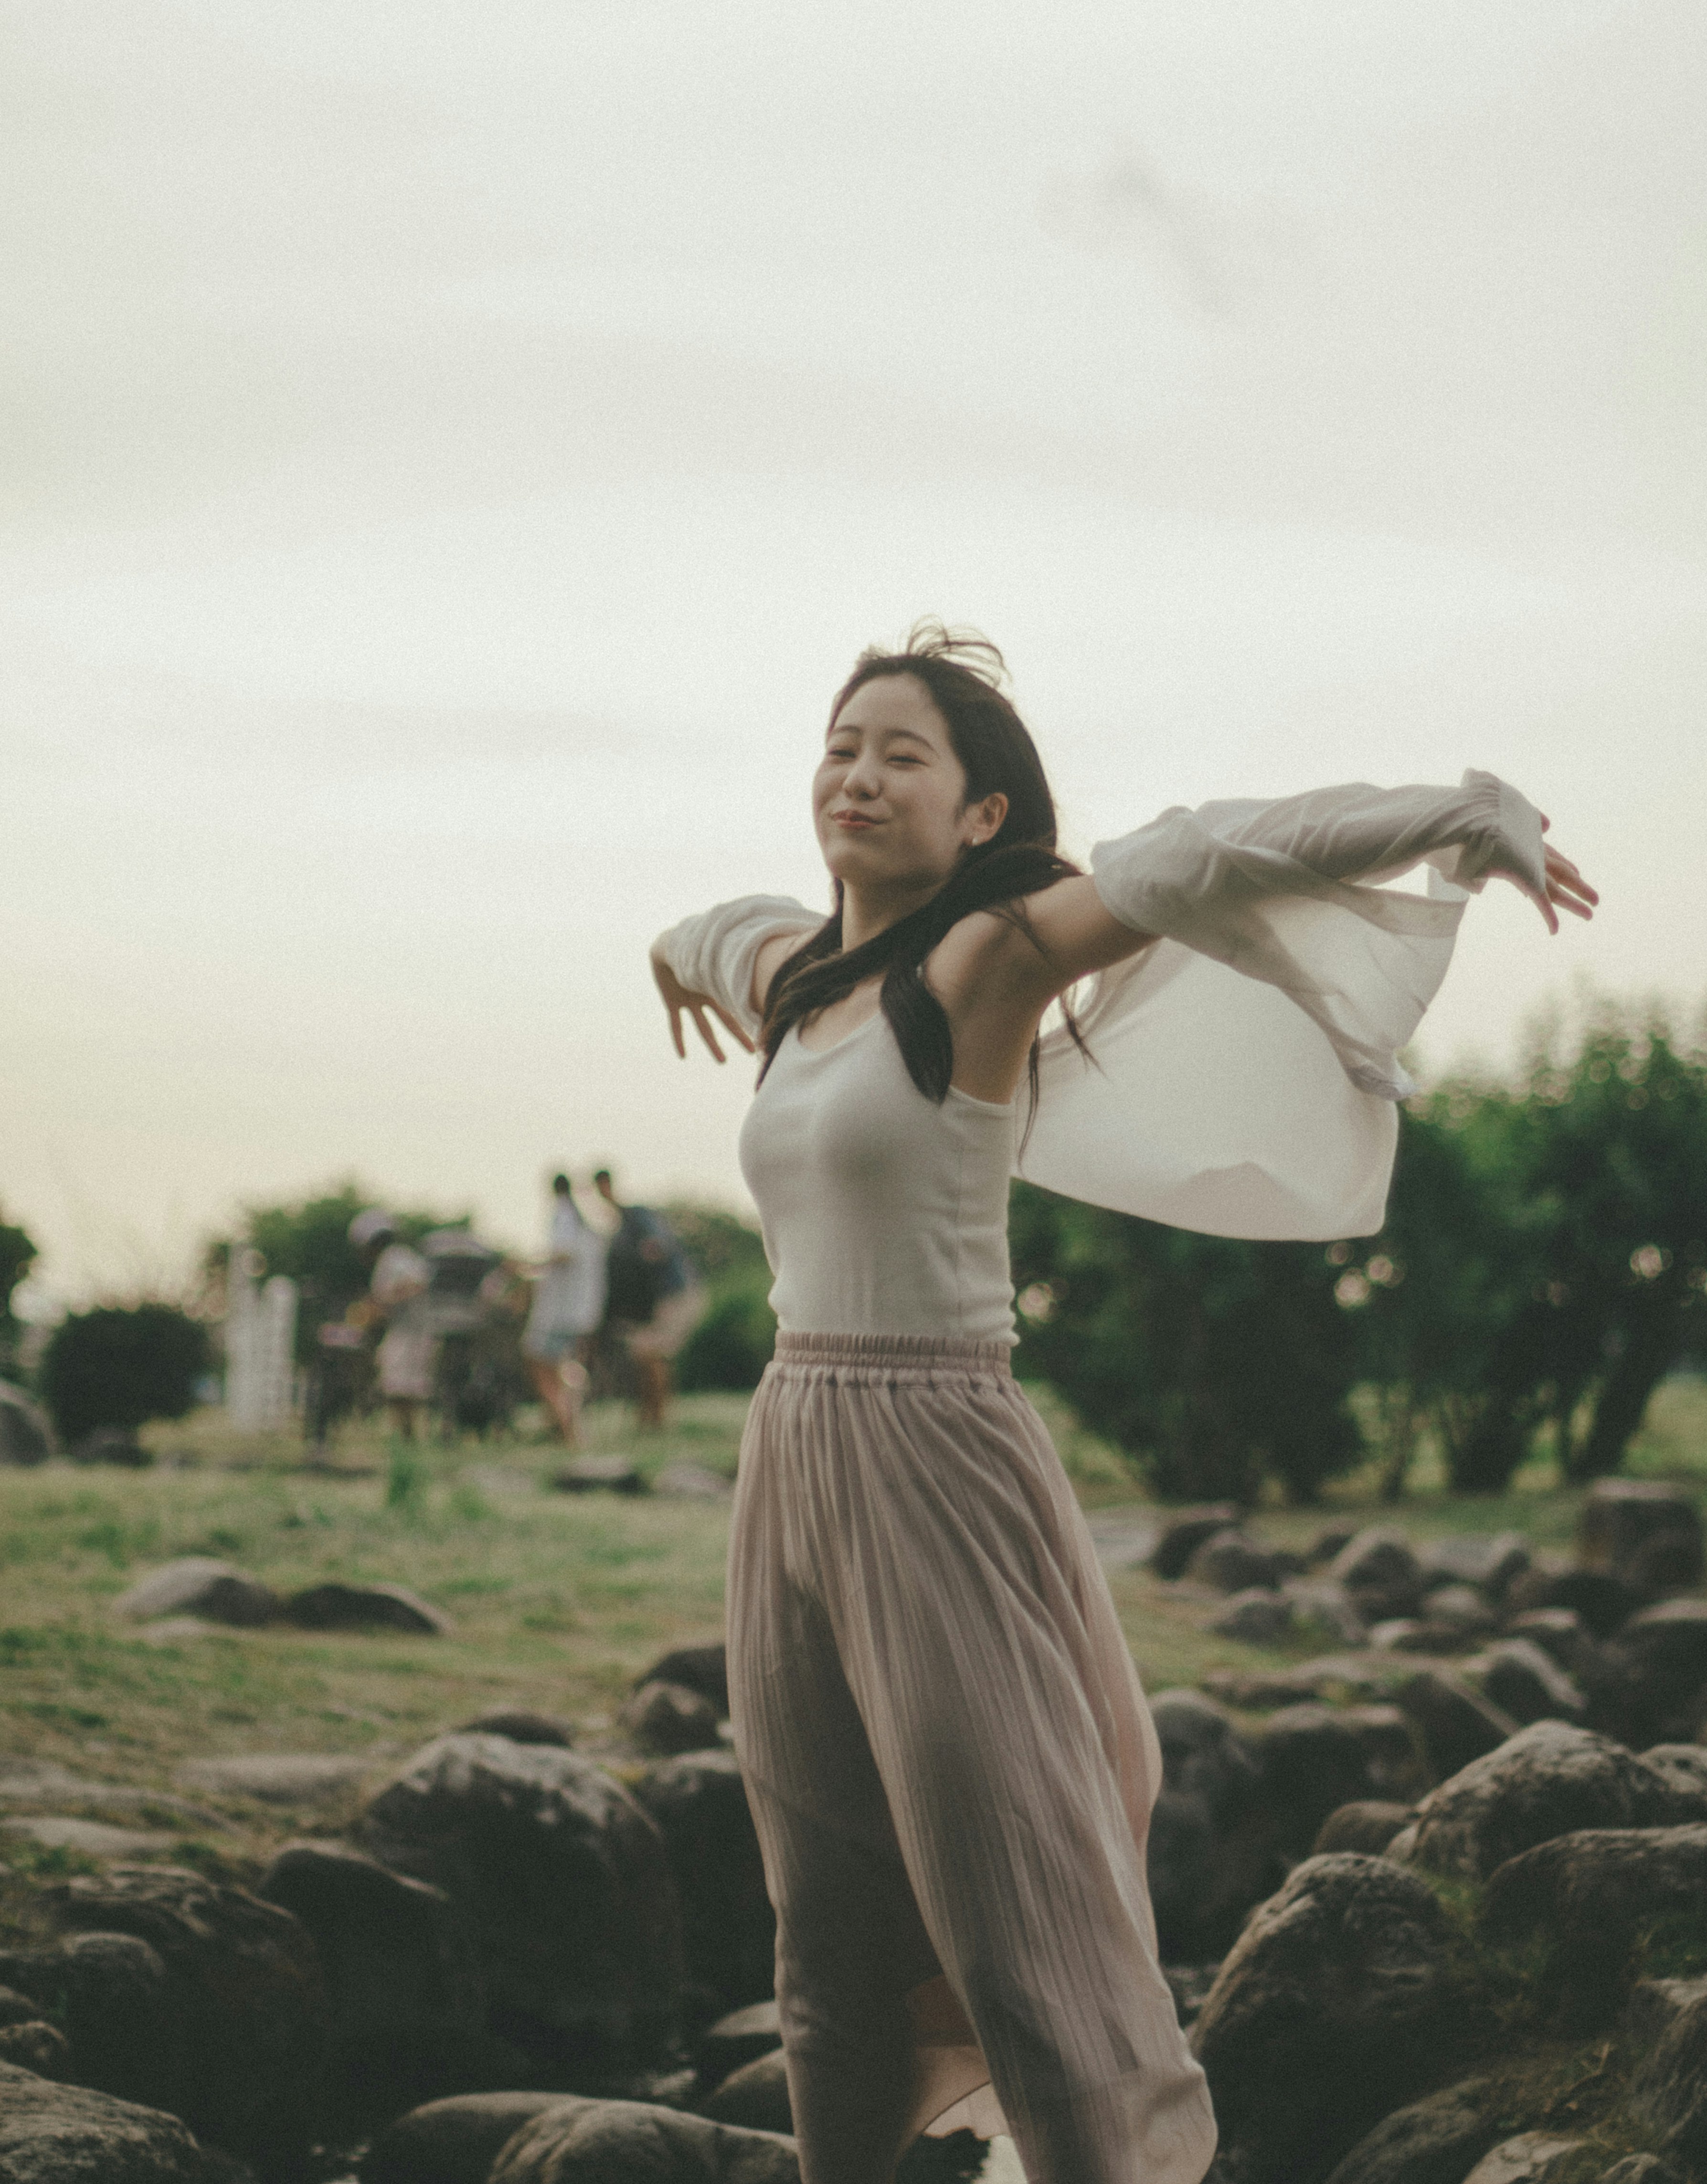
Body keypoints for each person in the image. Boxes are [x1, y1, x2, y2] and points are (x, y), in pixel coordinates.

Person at [650, 622, 1597, 2184]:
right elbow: (707, 926)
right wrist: (661, 951)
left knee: (1015, 1900)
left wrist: (1451, 807)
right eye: (841, 741)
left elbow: (1207, 854)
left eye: (903, 750)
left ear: (978, 817)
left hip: (937, 1445)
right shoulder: (795, 977)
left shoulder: (986, 959)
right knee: (823, 1908)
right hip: (790, 1447)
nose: (859, 770)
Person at [592, 1166, 706, 1429]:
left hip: (676, 1293)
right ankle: (649, 1418)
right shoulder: (621, 1228)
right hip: (661, 1299)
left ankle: (657, 1419)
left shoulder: (637, 1217)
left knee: (650, 1353)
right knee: (644, 1354)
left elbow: (658, 1249)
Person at [524, 1172, 607, 1449]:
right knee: (567, 1367)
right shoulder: (588, 1222)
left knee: (542, 1363)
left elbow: (563, 1253)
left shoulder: (564, 1213)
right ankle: (566, 1427)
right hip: (584, 1309)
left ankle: (567, 1427)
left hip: (561, 1310)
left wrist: (529, 1266)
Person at [351, 1207, 437, 1441]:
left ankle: (407, 1440)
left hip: (412, 1333)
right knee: (399, 1390)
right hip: (404, 1331)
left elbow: (417, 1283)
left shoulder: (394, 1257)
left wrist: (383, 1301)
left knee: (402, 1390)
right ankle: (404, 1439)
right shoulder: (394, 1259)